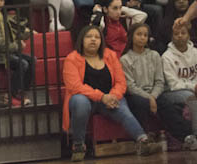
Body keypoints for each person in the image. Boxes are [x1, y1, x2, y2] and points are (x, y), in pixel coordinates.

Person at [63, 25, 158, 161]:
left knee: (123, 109)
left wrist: (113, 96)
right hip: (85, 98)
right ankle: (78, 145)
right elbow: (75, 86)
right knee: (79, 101)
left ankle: (143, 141)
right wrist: (102, 97)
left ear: (101, 41)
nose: (93, 40)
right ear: (81, 40)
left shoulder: (110, 55)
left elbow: (121, 82)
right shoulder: (71, 58)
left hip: (109, 98)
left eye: (97, 37)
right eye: (89, 37)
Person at [157, 22, 197, 149]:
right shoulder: (167, 57)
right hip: (172, 92)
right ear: (172, 37)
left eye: (183, 33)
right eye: (176, 34)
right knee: (193, 97)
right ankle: (195, 136)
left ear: (189, 36)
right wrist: (194, 88)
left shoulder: (196, 53)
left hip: (193, 88)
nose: (180, 36)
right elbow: (173, 84)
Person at [120, 24, 164, 134]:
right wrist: (149, 98)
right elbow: (130, 87)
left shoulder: (155, 55)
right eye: (139, 34)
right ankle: (144, 136)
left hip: (154, 93)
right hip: (136, 95)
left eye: (145, 35)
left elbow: (159, 81)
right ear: (131, 36)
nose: (142, 37)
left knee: (167, 101)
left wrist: (153, 96)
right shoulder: (125, 59)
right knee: (141, 103)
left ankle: (172, 136)